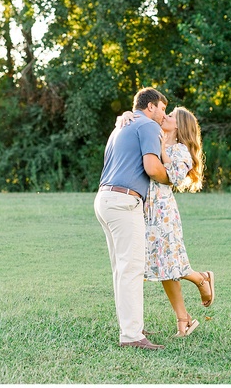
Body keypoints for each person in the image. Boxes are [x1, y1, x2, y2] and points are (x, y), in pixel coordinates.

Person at [119, 106, 215, 338]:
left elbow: (173, 175)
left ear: (179, 126)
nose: (166, 116)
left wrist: (162, 148)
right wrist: (125, 116)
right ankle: (185, 318)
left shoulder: (181, 150)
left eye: (171, 116)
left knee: (168, 263)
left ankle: (201, 279)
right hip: (144, 207)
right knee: (162, 266)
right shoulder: (152, 135)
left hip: (163, 211)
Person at [93, 87, 170, 351]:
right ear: (150, 107)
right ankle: (131, 336)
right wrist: (173, 179)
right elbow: (152, 167)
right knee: (132, 269)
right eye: (162, 108)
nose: (164, 114)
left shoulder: (122, 126)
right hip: (124, 202)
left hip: (105, 199)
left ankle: (131, 327)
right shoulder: (147, 125)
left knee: (122, 269)